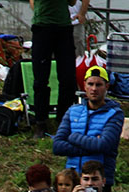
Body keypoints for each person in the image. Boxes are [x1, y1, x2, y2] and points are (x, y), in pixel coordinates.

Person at [52, 66, 124, 187]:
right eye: (90, 84)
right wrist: (93, 146)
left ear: (107, 86)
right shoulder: (73, 111)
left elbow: (104, 145)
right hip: (73, 179)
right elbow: (57, 146)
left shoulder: (115, 113)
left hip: (98, 181)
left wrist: (73, 137)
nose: (94, 89)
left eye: (99, 85)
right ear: (84, 85)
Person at [28, 0, 86, 138]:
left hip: (63, 28)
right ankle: (41, 122)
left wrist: (81, 12)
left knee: (67, 78)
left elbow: (72, 2)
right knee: (41, 80)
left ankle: (63, 121)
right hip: (42, 27)